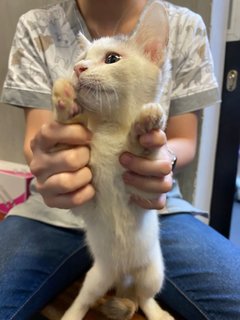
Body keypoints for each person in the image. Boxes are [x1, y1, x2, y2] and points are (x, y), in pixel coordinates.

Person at [1, 0, 240, 319]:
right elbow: (36, 144)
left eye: (110, 58)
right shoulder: (36, 26)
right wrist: (54, 157)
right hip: (54, 208)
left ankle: (138, 297)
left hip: (151, 204)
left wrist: (158, 160)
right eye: (81, 61)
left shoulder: (184, 26)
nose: (83, 67)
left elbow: (186, 141)